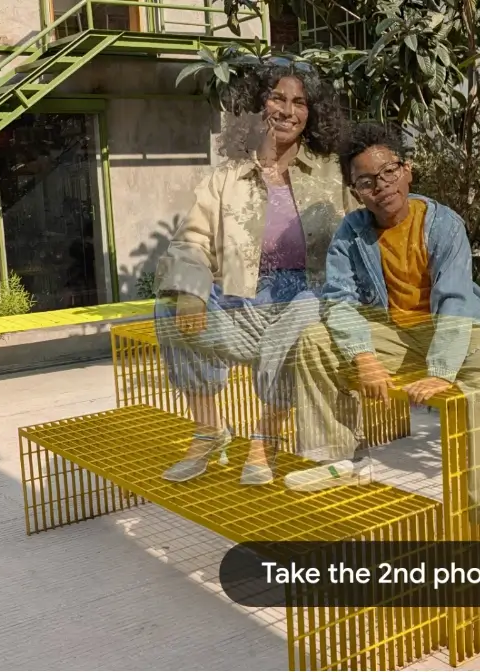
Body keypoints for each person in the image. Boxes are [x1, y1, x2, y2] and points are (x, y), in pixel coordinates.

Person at [289, 123, 480, 562]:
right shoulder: (351, 231)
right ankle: (337, 460)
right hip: (395, 332)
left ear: (407, 170)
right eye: (366, 182)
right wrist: (363, 356)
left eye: (388, 172)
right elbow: (337, 301)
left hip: (460, 328)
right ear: (355, 192)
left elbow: (454, 301)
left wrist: (442, 371)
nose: (381, 187)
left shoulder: (444, 224)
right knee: (314, 340)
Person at [153, 58, 353, 486]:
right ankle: (209, 429)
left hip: (308, 299)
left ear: (312, 112)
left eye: (300, 102)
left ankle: (264, 438)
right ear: (258, 104)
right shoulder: (226, 177)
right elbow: (191, 239)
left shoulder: (333, 172)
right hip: (244, 302)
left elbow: (361, 234)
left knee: (303, 312)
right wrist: (191, 292)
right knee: (168, 307)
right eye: (277, 98)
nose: (288, 111)